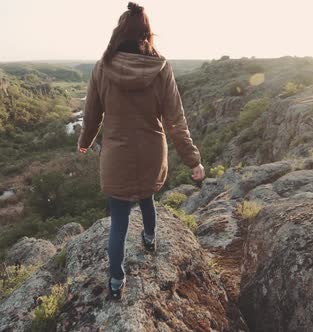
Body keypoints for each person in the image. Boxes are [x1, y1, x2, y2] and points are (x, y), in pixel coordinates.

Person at [77, 2, 204, 300]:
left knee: (118, 222)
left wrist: (84, 142)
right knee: (148, 197)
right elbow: (176, 120)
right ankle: (149, 239)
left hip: (116, 156)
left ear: (118, 33)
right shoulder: (161, 67)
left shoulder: (101, 67)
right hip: (150, 152)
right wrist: (192, 160)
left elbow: (92, 115)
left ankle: (116, 281)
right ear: (146, 33)